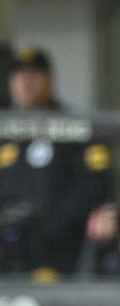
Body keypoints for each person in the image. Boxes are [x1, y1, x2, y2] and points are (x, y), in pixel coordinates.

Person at [0, 46, 111, 275]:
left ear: (49, 79)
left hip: (68, 247)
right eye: (18, 76)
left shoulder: (75, 127)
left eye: (33, 75)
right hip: (11, 250)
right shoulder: (5, 131)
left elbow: (95, 185)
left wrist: (52, 223)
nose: (25, 82)